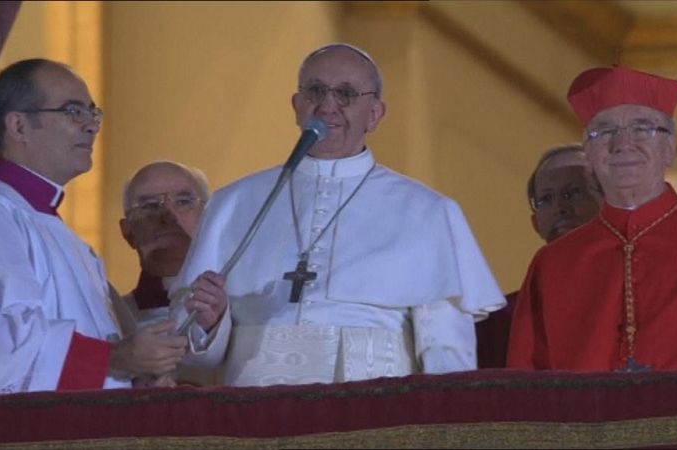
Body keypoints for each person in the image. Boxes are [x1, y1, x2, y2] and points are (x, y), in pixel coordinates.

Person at [170, 43, 505, 387]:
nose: (328, 106)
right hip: (255, 406)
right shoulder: (234, 203)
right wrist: (212, 323)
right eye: (315, 91)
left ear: (374, 114)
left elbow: (447, 352)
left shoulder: (429, 211)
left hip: (377, 410)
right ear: (297, 106)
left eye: (346, 94)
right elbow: (197, 355)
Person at [507, 65, 677, 371]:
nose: (622, 144)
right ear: (588, 154)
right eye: (605, 131)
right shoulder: (553, 263)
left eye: (642, 128)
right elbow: (526, 382)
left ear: (669, 147)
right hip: (583, 419)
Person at [0, 59, 187, 394]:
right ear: (18, 126)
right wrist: (116, 361)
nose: (91, 126)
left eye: (92, 112)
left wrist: (136, 377)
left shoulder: (70, 242)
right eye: (73, 111)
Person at [475, 144, 603, 368]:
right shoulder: (502, 320)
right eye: (546, 199)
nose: (560, 207)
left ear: (609, 203)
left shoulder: (636, 297)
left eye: (574, 192)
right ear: (536, 223)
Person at [116, 160, 217, 386]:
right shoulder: (109, 318)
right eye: (149, 206)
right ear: (127, 231)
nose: (168, 216)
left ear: (210, 219)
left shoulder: (243, 308)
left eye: (183, 201)